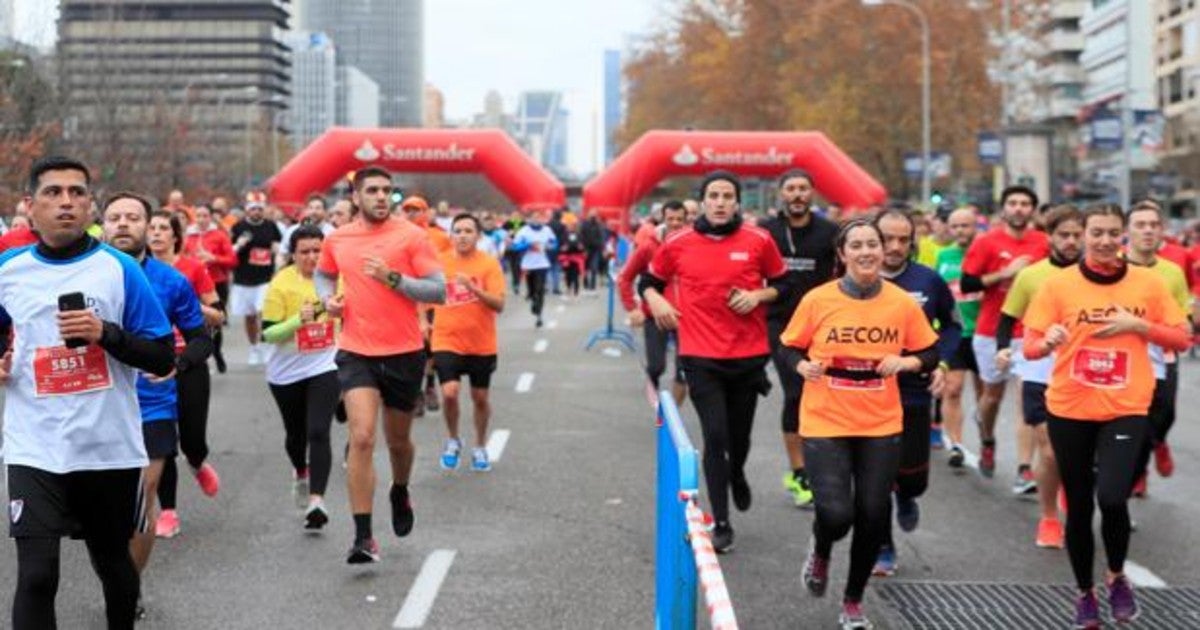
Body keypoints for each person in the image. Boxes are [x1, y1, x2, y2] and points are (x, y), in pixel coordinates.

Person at [1, 156, 175, 630]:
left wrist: (106, 334)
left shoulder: (118, 269)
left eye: (77, 193)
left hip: (105, 449)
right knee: (36, 576)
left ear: (91, 205)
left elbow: (162, 356)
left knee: (113, 567)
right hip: (34, 445)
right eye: (53, 193)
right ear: (29, 206)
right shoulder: (8, 270)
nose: (66, 203)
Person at [1022, 203, 1189, 628]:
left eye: (1113, 233)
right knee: (1078, 506)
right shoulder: (1059, 285)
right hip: (1070, 406)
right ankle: (1084, 594)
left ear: (1124, 237)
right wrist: (1049, 339)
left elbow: (1182, 338)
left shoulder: (1149, 283)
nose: (1104, 241)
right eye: (1096, 232)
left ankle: (1115, 576)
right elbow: (1031, 344)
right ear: (1083, 235)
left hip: (1125, 406)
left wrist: (1139, 326)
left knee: (1112, 498)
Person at [781, 218, 939, 630]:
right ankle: (821, 545)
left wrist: (906, 361)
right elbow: (788, 347)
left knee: (872, 512)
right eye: (858, 245)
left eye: (874, 244)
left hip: (880, 421)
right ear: (842, 253)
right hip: (825, 419)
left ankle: (853, 601)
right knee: (836, 515)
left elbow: (930, 351)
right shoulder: (818, 299)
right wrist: (801, 364)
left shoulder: (901, 302)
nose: (867, 251)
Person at [640, 171, 786, 553]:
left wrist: (758, 296)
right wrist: (656, 301)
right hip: (699, 354)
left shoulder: (759, 240)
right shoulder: (678, 243)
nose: (720, 202)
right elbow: (648, 281)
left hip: (748, 354)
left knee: (739, 439)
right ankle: (721, 521)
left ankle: (737, 472)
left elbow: (783, 286)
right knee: (715, 436)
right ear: (702, 202)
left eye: (727, 196)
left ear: (738, 202)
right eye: (714, 195)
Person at [315, 166, 446, 564]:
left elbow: (438, 290)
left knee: (398, 443)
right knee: (362, 437)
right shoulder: (338, 238)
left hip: (404, 352)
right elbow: (324, 275)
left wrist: (395, 280)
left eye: (386, 191)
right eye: (372, 190)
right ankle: (363, 536)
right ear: (355, 196)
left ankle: (399, 489)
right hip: (357, 350)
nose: (380, 197)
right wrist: (328, 300)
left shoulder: (411, 236)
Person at [101, 192, 212, 618]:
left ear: (151, 227)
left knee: (141, 493)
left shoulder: (170, 280)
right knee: (104, 510)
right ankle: (118, 574)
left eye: (134, 217)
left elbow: (201, 336)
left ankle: (129, 588)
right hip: (95, 406)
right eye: (115, 218)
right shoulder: (82, 274)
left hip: (152, 405)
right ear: (102, 224)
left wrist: (179, 364)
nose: (124, 224)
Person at [871, 209, 959, 577]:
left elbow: (952, 329)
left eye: (902, 240)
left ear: (913, 241)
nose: (894, 247)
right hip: (867, 393)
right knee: (874, 478)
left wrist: (940, 365)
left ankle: (907, 495)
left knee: (912, 477)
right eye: (886, 239)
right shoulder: (853, 281)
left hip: (914, 391)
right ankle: (882, 545)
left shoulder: (928, 280)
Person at [994, 205, 1084, 549]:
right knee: (1049, 451)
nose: (1072, 242)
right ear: (1050, 237)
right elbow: (1007, 318)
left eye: (1078, 235)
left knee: (1078, 451)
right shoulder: (1032, 275)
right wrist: (1004, 348)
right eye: (1064, 235)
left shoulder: (1101, 275)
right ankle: (1049, 518)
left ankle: (1069, 488)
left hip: (1084, 371)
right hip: (1040, 368)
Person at [760, 169, 838, 509]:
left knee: (822, 393)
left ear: (812, 193)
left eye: (803, 188)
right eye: (790, 189)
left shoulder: (830, 232)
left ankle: (824, 464)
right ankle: (799, 472)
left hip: (822, 323)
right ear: (781, 194)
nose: (797, 194)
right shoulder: (767, 231)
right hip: (780, 322)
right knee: (795, 391)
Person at [960, 185, 1048, 478]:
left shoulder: (1044, 243)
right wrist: (1005, 274)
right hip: (991, 329)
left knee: (1028, 398)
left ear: (1032, 210)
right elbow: (968, 285)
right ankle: (987, 437)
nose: (1019, 208)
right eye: (1013, 203)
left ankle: (1025, 468)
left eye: (1025, 203)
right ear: (1003, 209)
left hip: (1031, 330)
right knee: (992, 398)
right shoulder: (986, 242)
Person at [146, 211, 224, 539]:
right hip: (155, 366)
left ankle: (197, 460)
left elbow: (219, 316)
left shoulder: (190, 269)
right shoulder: (136, 272)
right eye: (152, 228)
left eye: (164, 228)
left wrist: (188, 304)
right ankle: (168, 511)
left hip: (190, 362)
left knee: (191, 439)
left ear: (176, 236)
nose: (157, 233)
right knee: (163, 443)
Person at [262, 225, 340, 529]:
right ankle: (301, 471)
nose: (312, 257)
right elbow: (268, 333)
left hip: (325, 364)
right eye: (305, 252)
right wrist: (298, 320)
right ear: (293, 254)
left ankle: (317, 501)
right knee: (296, 436)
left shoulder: (338, 279)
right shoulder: (281, 283)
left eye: (317, 251)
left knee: (319, 430)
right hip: (286, 372)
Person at [1122, 201, 1190, 498]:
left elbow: (1181, 315)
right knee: (1131, 423)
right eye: (1140, 225)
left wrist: (1186, 324)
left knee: (1164, 416)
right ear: (1128, 231)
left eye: (1154, 225)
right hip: (1124, 356)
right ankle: (1132, 477)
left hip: (1163, 354)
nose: (1148, 231)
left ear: (1162, 230)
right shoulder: (1116, 266)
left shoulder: (1173, 271)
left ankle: (1155, 445)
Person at [432, 214, 506, 471]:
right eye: (458, 231)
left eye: (468, 231)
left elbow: (499, 304)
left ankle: (479, 445)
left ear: (477, 235)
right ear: (451, 235)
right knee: (450, 393)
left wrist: (473, 289)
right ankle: (453, 439)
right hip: (445, 338)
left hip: (481, 343)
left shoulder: (488, 265)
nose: (462, 235)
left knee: (480, 397)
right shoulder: (439, 263)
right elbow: (423, 296)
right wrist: (421, 321)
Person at [618, 200, 689, 404]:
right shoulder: (648, 246)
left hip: (684, 315)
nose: (675, 223)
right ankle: (654, 394)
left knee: (684, 367)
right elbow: (625, 277)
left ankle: (673, 414)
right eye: (671, 219)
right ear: (662, 219)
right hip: (654, 315)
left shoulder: (693, 244)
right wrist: (632, 308)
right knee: (657, 366)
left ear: (686, 221)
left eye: (679, 220)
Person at [934, 206, 984, 470]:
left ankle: (987, 440)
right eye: (955, 226)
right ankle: (956, 444)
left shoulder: (985, 253)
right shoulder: (943, 255)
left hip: (983, 333)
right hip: (955, 332)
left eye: (966, 225)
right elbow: (934, 291)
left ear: (976, 226)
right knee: (952, 389)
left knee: (985, 396)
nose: (960, 231)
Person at [230, 192, 283, 366]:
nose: (256, 212)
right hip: (243, 278)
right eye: (253, 209)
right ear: (247, 211)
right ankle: (254, 347)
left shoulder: (271, 226)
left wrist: (278, 254)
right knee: (250, 316)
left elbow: (277, 246)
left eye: (259, 209)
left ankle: (266, 344)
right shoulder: (238, 227)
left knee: (264, 312)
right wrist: (239, 244)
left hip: (265, 278)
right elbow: (230, 251)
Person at [184, 204, 237, 373]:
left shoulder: (219, 235)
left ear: (211, 217)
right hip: (193, 284)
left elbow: (232, 260)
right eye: (198, 216)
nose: (201, 219)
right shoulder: (187, 237)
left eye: (205, 216)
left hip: (216, 283)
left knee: (215, 322)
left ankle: (217, 352)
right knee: (196, 322)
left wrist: (213, 258)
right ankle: (200, 357)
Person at [512, 210, 558, 328]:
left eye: (539, 217)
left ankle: (539, 315)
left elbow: (554, 243)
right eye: (534, 217)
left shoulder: (547, 230)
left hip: (542, 264)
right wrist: (528, 245)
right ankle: (533, 301)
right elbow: (515, 246)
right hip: (528, 265)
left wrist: (550, 246)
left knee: (540, 289)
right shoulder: (524, 231)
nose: (537, 220)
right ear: (530, 219)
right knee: (532, 290)